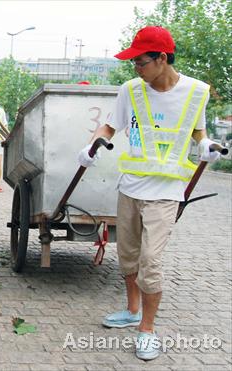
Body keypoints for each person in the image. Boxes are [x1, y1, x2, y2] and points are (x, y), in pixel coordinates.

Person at [78, 26, 222, 360]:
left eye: (141, 62)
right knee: (128, 256)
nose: (136, 69)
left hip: (167, 191)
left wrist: (206, 147)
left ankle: (147, 329)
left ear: (161, 58)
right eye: (133, 64)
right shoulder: (131, 90)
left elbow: (199, 132)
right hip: (130, 187)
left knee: (150, 261)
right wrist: (91, 145)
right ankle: (131, 310)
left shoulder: (196, 92)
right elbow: (110, 126)